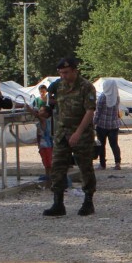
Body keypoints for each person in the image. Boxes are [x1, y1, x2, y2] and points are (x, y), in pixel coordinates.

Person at [41, 57, 98, 217]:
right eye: (60, 73)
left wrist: (78, 133)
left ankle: (88, 201)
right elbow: (53, 105)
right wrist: (44, 111)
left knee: (85, 167)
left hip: (81, 134)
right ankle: (58, 203)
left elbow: (89, 111)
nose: (63, 76)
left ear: (74, 70)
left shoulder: (86, 87)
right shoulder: (58, 86)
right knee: (57, 167)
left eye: (66, 72)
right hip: (62, 133)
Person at [94, 79, 122, 170]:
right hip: (114, 125)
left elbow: (98, 112)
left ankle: (102, 164)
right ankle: (117, 163)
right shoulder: (117, 97)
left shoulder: (102, 97)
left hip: (102, 124)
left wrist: (93, 122)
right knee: (114, 144)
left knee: (101, 144)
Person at [31, 85, 54, 180]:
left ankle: (50, 176)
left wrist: (29, 110)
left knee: (49, 161)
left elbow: (37, 116)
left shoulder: (45, 121)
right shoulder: (42, 121)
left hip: (47, 145)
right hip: (43, 145)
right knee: (45, 161)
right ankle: (47, 175)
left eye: (41, 111)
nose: (39, 112)